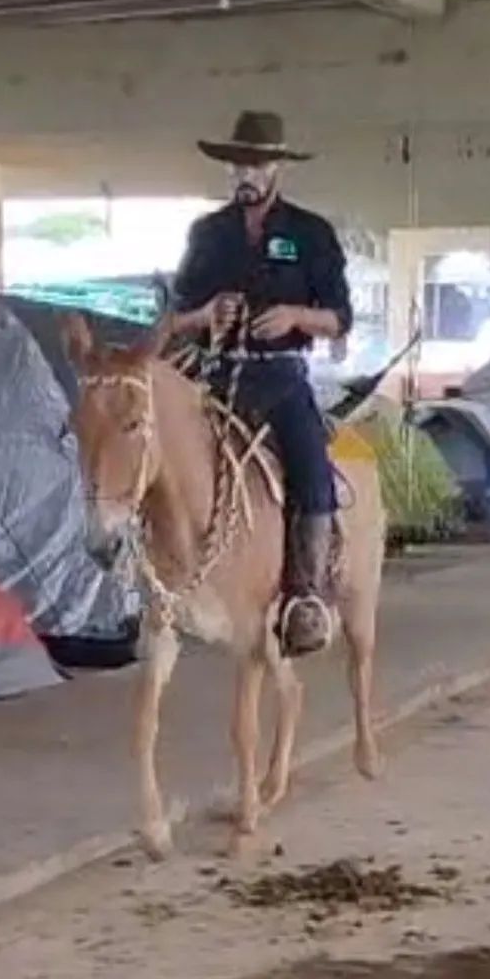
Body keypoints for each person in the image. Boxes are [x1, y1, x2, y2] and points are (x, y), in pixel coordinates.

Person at [171, 110, 353, 657]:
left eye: (256, 163)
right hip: (217, 375)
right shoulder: (208, 234)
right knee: (160, 456)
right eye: (237, 164)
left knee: (311, 470)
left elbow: (340, 317)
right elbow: (177, 313)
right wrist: (206, 314)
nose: (245, 173)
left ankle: (306, 596)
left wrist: (297, 315)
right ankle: (167, 583)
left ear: (278, 167)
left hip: (280, 377)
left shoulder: (310, 234)